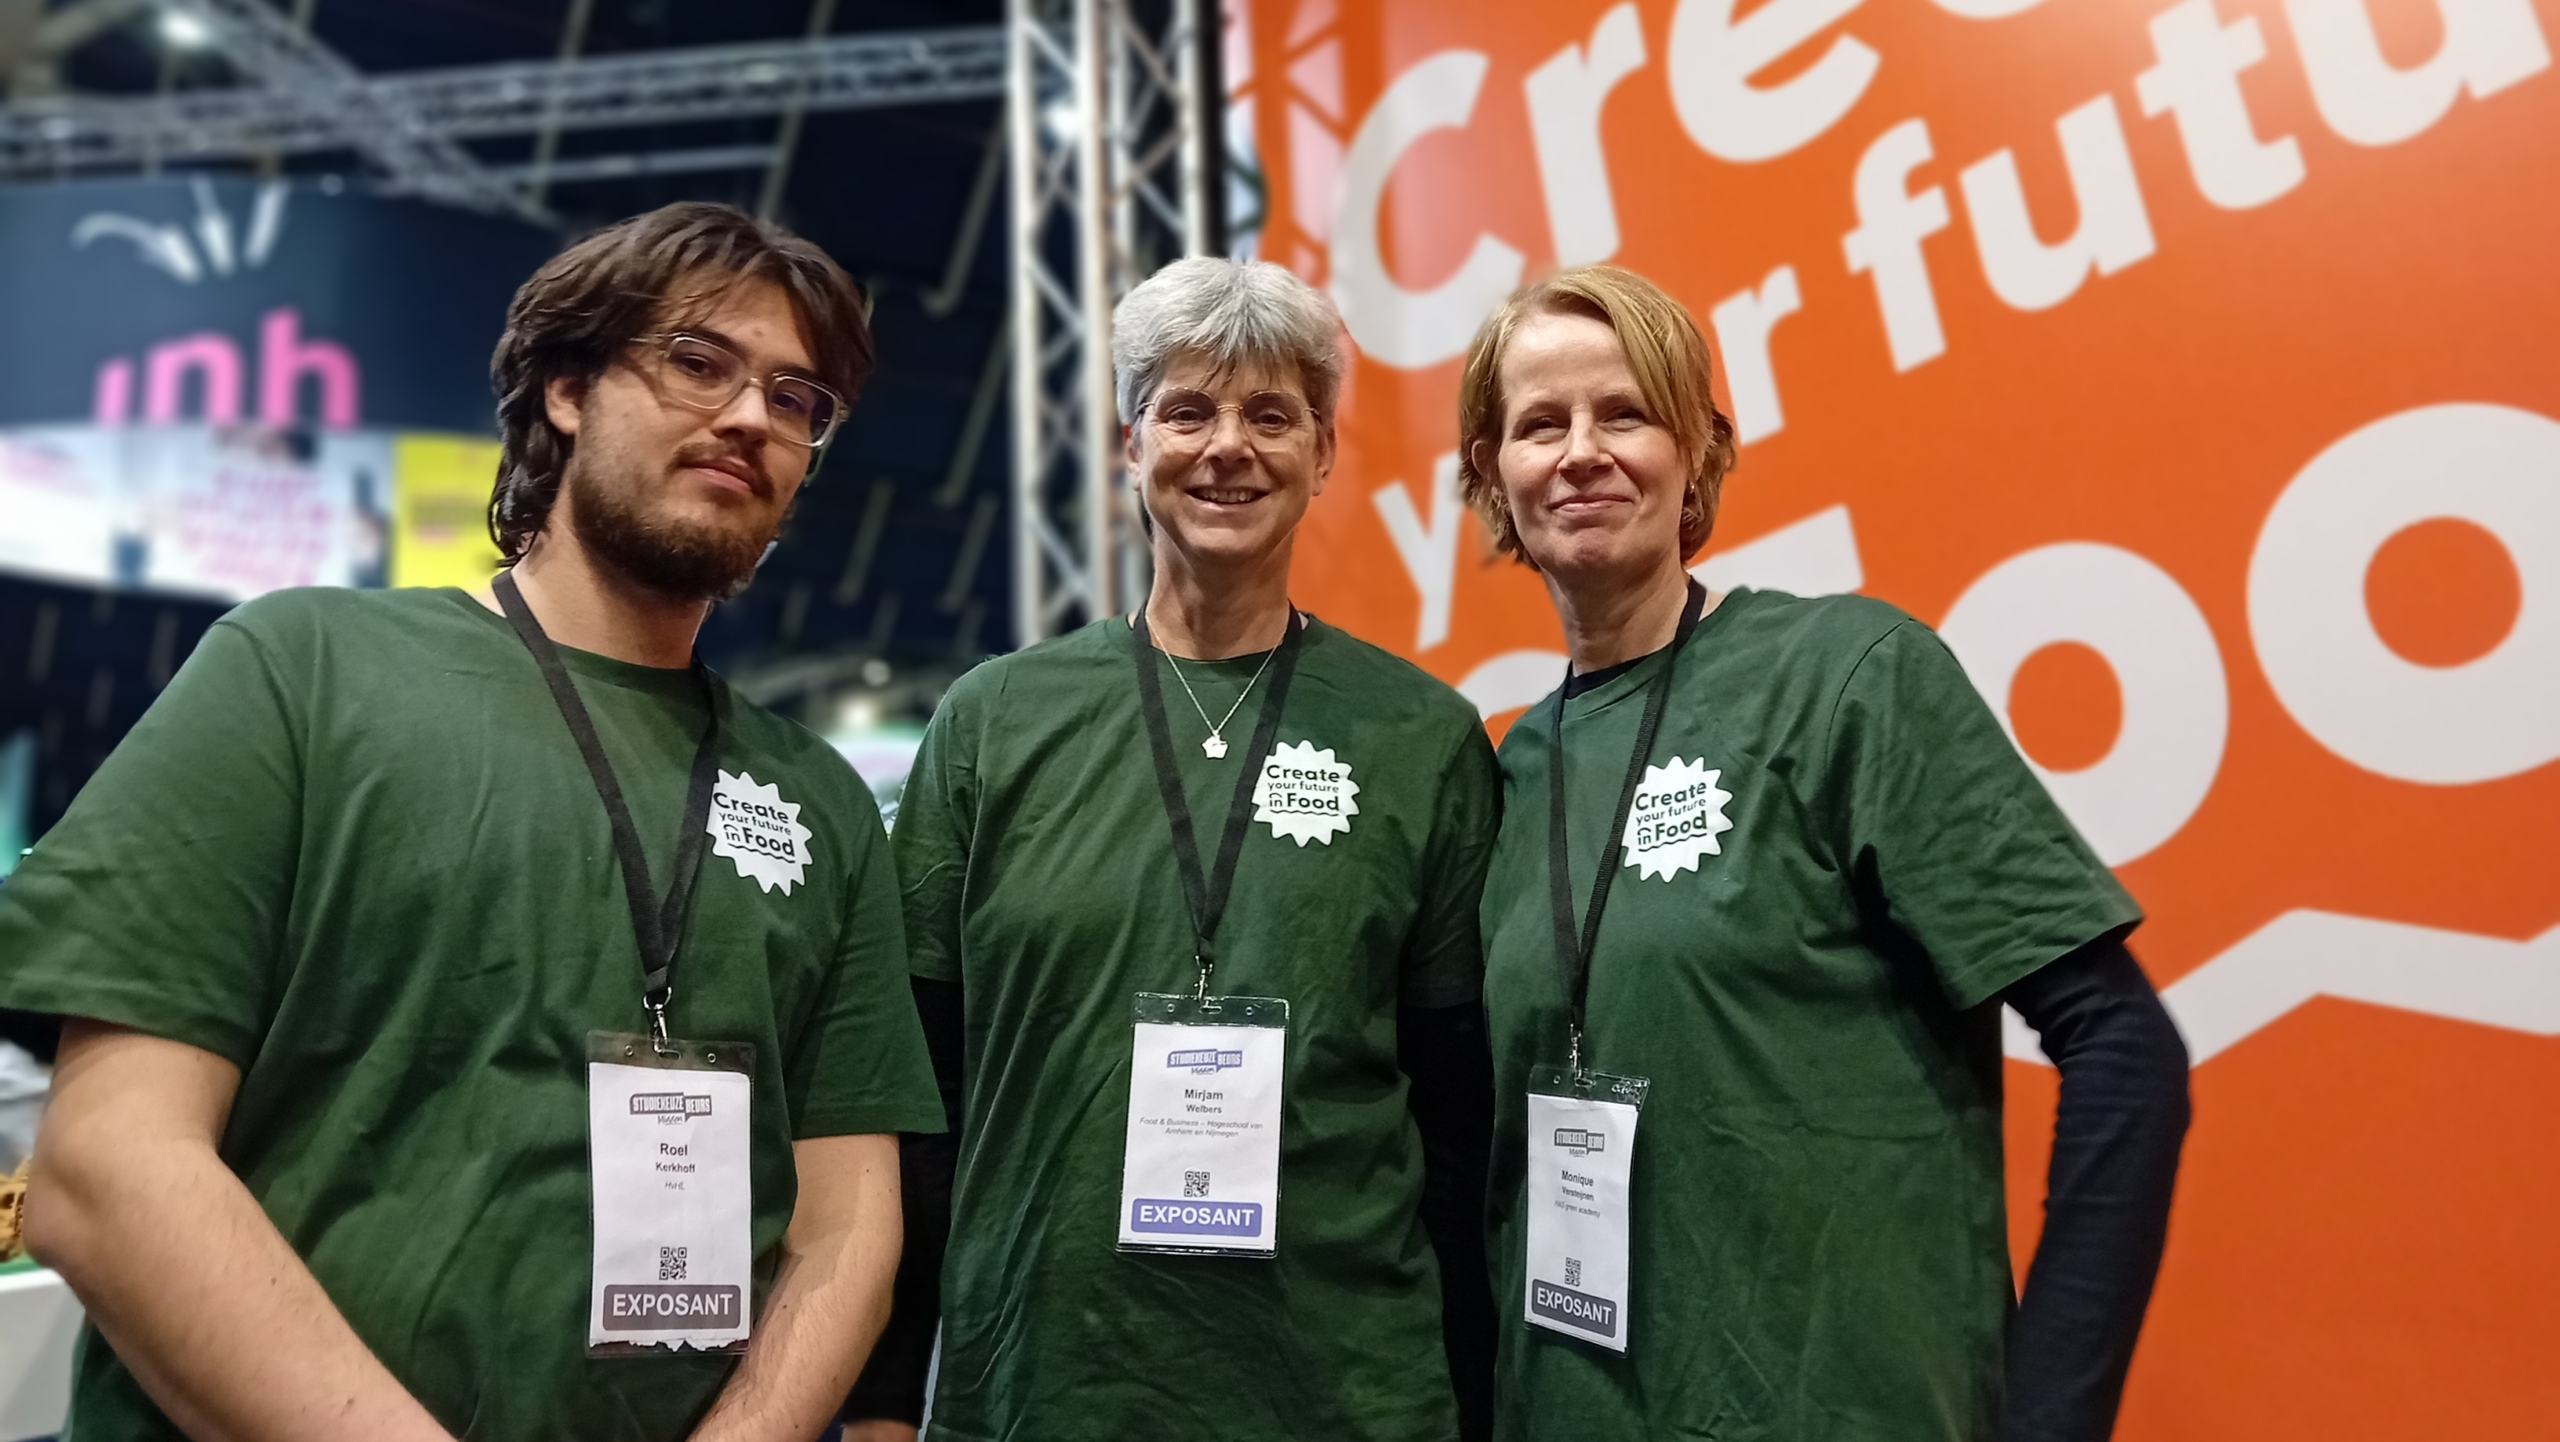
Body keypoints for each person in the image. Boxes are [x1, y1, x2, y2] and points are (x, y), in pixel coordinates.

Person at [0, 201, 943, 1442]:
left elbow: (847, 1220)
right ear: (568, 388)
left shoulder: (820, 797)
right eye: (697, 361)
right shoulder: (303, 669)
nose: (750, 417)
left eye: (796, 397)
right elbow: (102, 1164)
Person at [1458, 265, 2190, 1440]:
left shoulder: (1847, 676)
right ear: (1491, 471)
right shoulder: (1505, 769)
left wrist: (2049, 1419)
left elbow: (2122, 1048)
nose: (1581, 452)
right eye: (1541, 423)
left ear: (1698, 451)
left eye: (1625, 412)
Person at [836, 256, 1500, 1442]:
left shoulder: (1422, 737)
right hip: (1041, 1386)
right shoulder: (993, 721)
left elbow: (1456, 1124)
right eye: (1187, 410)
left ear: (1323, 452)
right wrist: (887, 1396)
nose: (1227, 446)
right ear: (1129, 444)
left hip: (1344, 1392)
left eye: (1271, 415)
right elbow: (916, 1096)